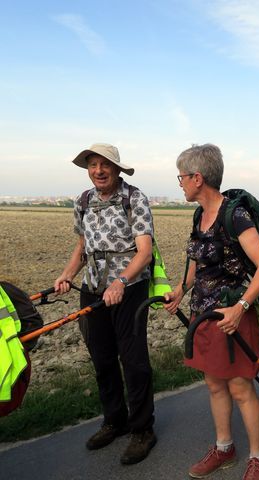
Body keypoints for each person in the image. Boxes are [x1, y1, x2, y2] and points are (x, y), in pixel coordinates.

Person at [163, 144, 259, 480]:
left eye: (181, 177)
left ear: (198, 178)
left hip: (233, 318)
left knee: (240, 388)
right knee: (214, 385)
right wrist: (181, 289)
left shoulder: (234, 216)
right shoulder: (200, 214)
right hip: (204, 318)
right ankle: (224, 447)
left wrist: (241, 308)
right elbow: (197, 261)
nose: (179, 183)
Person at [54, 143, 156, 464]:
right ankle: (115, 420)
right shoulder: (83, 201)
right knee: (102, 358)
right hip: (93, 288)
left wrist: (121, 281)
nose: (98, 170)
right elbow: (83, 246)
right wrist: (68, 274)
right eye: (93, 165)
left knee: (134, 359)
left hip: (129, 289)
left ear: (116, 168)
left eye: (104, 165)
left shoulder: (134, 199)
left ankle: (142, 429)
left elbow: (144, 252)